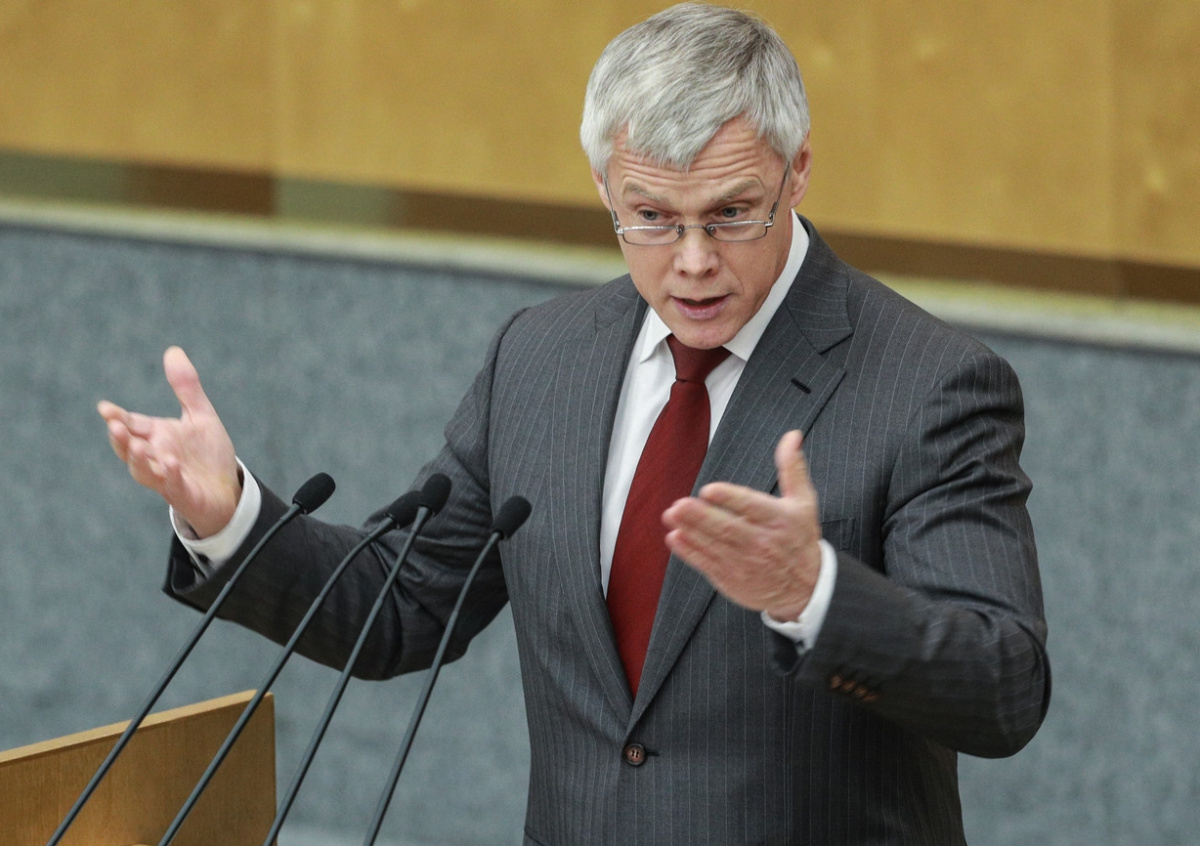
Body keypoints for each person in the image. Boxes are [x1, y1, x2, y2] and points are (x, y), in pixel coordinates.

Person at [98, 4, 1050, 844]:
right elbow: (404, 606)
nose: (692, 262)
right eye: (651, 217)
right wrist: (228, 515)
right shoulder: (541, 359)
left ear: (796, 172)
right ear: (602, 185)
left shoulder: (929, 384)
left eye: (730, 215)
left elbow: (1004, 687)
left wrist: (818, 595)